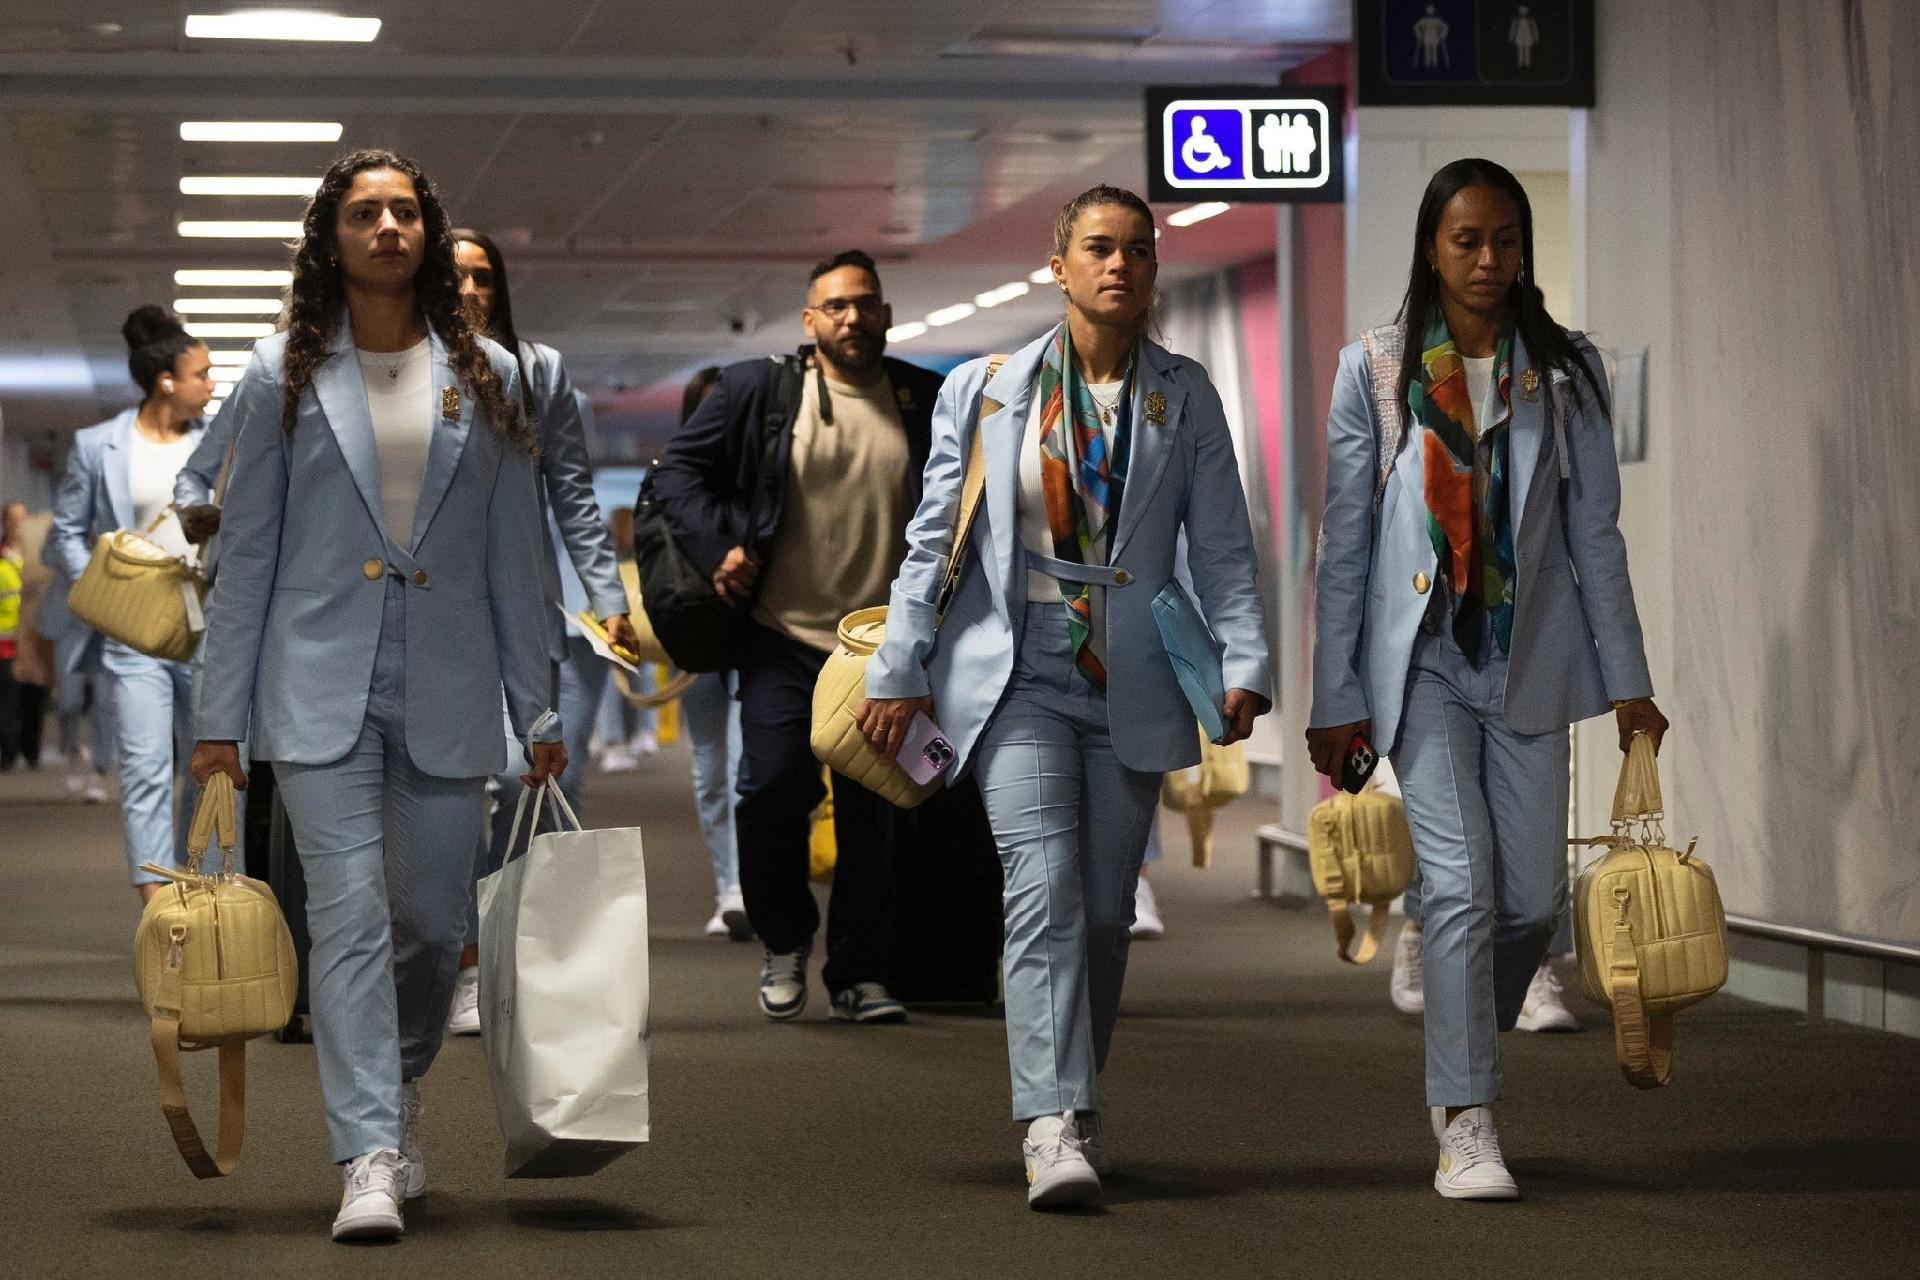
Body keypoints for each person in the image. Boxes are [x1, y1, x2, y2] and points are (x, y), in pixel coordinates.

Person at [861, 185, 1272, 1209]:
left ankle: (1078, 1097)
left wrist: (1244, 659)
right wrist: (900, 664)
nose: (1119, 266)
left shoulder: (1186, 394)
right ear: (1059, 263)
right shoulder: (987, 387)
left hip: (1130, 668)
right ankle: (1049, 1121)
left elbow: (1221, 543)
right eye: (1098, 247)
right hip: (1021, 666)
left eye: (1138, 249)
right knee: (1041, 888)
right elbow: (932, 542)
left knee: (1098, 910)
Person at [189, 148, 562, 1243]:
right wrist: (218, 718)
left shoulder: (488, 372)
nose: (390, 227)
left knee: (428, 922)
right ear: (331, 237)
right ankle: (366, 1150)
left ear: (431, 237)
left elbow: (513, 558)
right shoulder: (280, 375)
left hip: (449, 684)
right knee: (345, 918)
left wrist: (536, 706)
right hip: (314, 683)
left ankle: (397, 1096)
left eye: (406, 212)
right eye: (366, 213)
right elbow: (247, 554)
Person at [1307, 158, 1667, 1201]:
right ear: (1431, 246)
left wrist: (1631, 680)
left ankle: (1470, 1046)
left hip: (1529, 662)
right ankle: (1466, 1114)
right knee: (1459, 886)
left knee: (1531, 900)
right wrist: (1338, 692)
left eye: (1506, 240)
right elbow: (1347, 546)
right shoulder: (1376, 370)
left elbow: (1596, 535)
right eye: (1467, 240)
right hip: (1421, 664)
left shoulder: (1564, 370)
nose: (1488, 259)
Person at [652, 249, 943, 1023]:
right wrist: (720, 549)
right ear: (812, 321)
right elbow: (677, 473)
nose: (854, 317)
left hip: (882, 647)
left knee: (872, 810)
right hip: (782, 634)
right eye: (837, 306)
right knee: (771, 788)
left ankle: (858, 972)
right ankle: (784, 940)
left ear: (885, 314)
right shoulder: (762, 390)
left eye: (867, 303)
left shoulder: (924, 398)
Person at [441, 227, 638, 1037]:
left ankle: (500, 956)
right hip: (437, 619)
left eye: (484, 276)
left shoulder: (542, 372)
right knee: (461, 795)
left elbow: (575, 497)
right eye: (454, 275)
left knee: (543, 785)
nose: (469, 289)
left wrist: (604, 595)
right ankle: (461, 961)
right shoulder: (406, 370)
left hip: (527, 613)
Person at [47, 305, 215, 899]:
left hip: (207, 631)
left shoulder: (217, 446)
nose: (212, 385)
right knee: (145, 771)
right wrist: (103, 587)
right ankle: (159, 913)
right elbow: (64, 532)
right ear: (167, 380)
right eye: (202, 375)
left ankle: (209, 894)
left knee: (210, 771)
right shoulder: (99, 447)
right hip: (134, 634)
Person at [675, 365, 749, 940]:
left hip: (756, 643)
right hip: (698, 645)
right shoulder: (677, 483)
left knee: (747, 764)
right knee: (708, 774)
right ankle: (727, 883)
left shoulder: (763, 479)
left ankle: (747, 886)